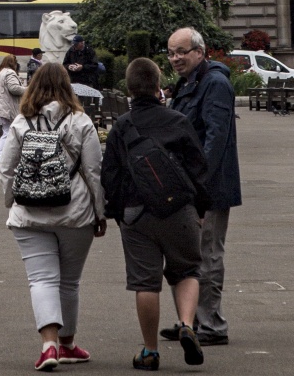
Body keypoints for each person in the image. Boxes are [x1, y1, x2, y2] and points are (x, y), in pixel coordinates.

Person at [0, 60, 106, 371]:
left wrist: (12, 202)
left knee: (41, 279)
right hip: (75, 212)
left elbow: (6, 169)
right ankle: (68, 344)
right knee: (69, 282)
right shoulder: (80, 122)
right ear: (67, 86)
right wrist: (100, 213)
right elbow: (93, 172)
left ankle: (48, 347)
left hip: (29, 213)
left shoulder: (21, 123)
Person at [101, 57, 209, 369]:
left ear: (129, 88)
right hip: (180, 210)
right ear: (158, 85)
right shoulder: (178, 120)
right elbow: (199, 168)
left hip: (138, 213)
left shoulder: (122, 127)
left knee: (145, 283)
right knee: (187, 270)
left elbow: (110, 175)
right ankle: (187, 324)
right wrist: (199, 209)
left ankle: (150, 351)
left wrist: (117, 212)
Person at [165, 28, 241, 347]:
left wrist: (199, 189)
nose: (175, 58)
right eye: (171, 53)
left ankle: (212, 325)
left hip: (208, 188)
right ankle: (191, 321)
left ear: (200, 51)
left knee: (208, 255)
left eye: (181, 51)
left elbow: (215, 139)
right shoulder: (189, 82)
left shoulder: (215, 83)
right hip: (188, 186)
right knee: (190, 255)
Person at [0, 54, 25, 162]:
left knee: (6, 131)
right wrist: (28, 89)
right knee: (8, 132)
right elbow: (14, 89)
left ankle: (4, 157)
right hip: (7, 108)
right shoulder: (9, 73)